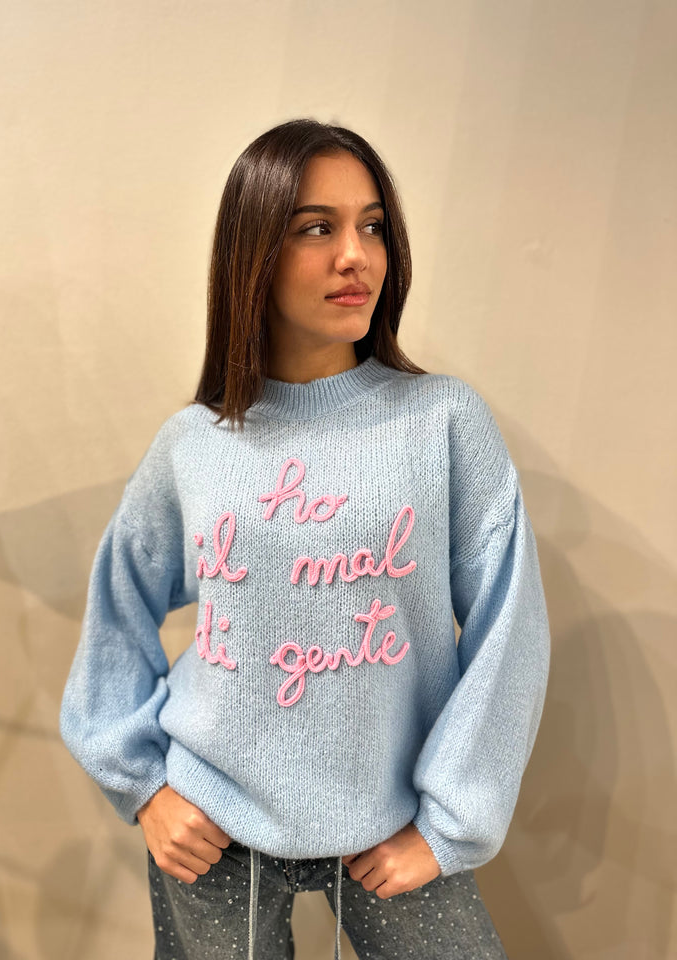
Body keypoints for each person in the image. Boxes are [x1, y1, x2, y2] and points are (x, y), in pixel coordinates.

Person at [60, 118, 551, 960]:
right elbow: (117, 606)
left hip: (393, 821)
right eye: (316, 228)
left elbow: (513, 629)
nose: (355, 256)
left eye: (373, 226)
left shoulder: (442, 421)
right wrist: (144, 786)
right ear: (253, 250)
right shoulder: (196, 443)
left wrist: (450, 824)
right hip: (212, 828)